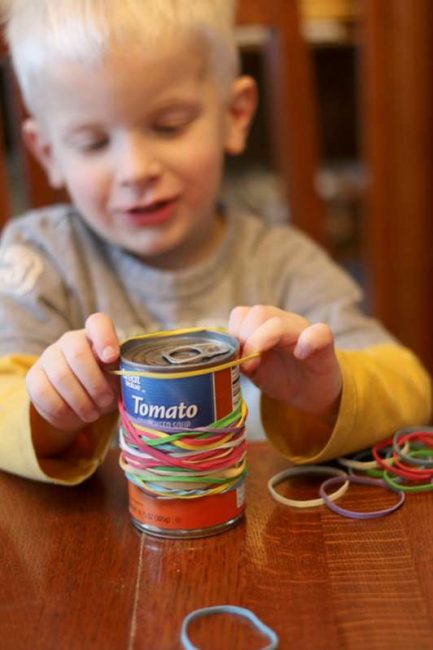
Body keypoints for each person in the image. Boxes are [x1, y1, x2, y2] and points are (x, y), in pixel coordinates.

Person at [0, 0, 430, 485]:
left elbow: (410, 385)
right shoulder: (41, 259)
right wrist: (47, 411)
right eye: (92, 143)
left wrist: (329, 393)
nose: (136, 170)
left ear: (234, 114)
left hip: (267, 533)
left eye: (169, 125)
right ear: (47, 152)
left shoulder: (283, 263)